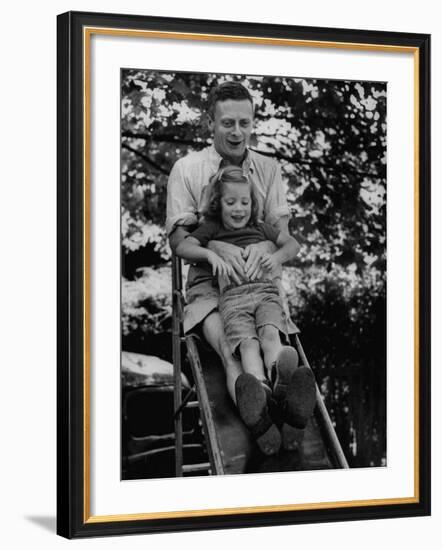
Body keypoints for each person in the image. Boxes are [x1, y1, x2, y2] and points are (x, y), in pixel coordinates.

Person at [166, 80, 315, 454]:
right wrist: (215, 247)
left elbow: (281, 235)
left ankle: (283, 401)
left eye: (244, 123)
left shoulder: (267, 169)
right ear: (210, 124)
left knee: (269, 339)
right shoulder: (188, 169)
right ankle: (262, 419)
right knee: (234, 351)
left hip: (256, 282)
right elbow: (181, 241)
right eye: (227, 123)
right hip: (209, 286)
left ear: (253, 123)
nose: (237, 132)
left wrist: (270, 251)